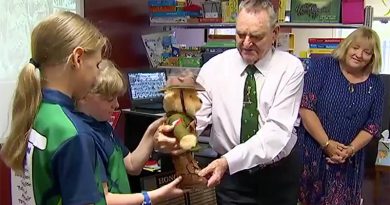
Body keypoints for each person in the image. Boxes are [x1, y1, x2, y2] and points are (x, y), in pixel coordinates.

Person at [153, 0, 304, 204]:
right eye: (240, 34)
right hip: (231, 178)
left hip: (277, 175)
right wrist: (173, 134)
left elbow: (276, 132)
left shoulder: (290, 68)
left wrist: (227, 161)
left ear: (275, 33)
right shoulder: (214, 67)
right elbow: (196, 117)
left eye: (256, 36)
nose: (246, 43)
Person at [0, 11, 109, 204]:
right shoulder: (74, 133)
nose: (98, 76)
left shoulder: (32, 113)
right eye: (97, 64)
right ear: (78, 58)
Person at [76, 59, 184, 204]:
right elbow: (104, 199)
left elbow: (132, 165)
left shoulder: (104, 127)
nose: (117, 104)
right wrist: (152, 196)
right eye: (109, 99)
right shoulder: (84, 137)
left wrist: (153, 130)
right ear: (84, 96)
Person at [298, 27, 384, 205]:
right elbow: (306, 108)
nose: (359, 54)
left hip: (349, 162)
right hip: (313, 155)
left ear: (373, 57)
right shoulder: (323, 66)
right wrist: (326, 144)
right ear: (347, 46)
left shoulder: (376, 84)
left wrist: (350, 149)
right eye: (355, 47)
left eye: (367, 52)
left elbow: (373, 125)